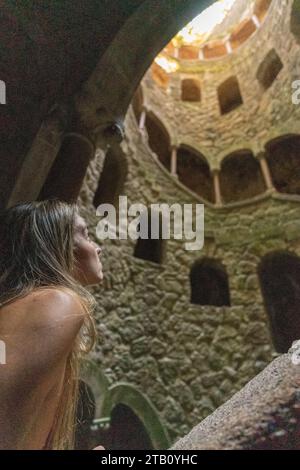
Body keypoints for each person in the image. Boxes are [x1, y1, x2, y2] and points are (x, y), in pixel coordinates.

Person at [0, 199, 104, 450]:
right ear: (59, 245)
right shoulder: (56, 301)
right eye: (85, 234)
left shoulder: (24, 304)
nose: (97, 248)